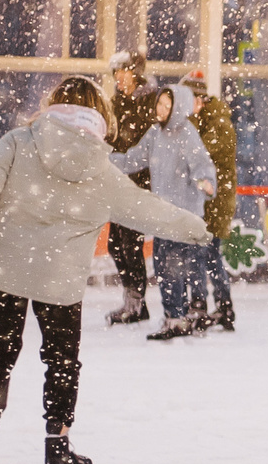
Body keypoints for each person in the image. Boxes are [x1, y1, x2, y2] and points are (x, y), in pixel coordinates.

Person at [0, 76, 212, 464]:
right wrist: (196, 228)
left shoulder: (17, 142)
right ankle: (57, 445)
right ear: (99, 114)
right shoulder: (102, 168)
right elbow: (148, 209)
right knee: (62, 361)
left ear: (53, 105)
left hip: (4, 271)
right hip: (58, 281)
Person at [110, 83, 220, 340]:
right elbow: (132, 159)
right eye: (159, 104)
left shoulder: (187, 134)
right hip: (163, 215)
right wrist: (105, 160)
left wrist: (206, 183)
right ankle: (175, 317)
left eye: (166, 106)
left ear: (178, 109)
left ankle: (177, 318)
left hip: (183, 215)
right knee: (163, 267)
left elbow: (202, 164)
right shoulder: (155, 134)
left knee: (175, 267)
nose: (160, 109)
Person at [102, 50, 157, 326]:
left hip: (138, 184)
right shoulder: (116, 103)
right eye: (116, 73)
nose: (119, 78)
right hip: (118, 183)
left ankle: (136, 304)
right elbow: (111, 137)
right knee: (115, 244)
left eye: (123, 72)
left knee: (130, 244)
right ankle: (133, 300)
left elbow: (148, 147)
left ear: (136, 73)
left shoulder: (149, 102)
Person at [184, 71, 240, 333]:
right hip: (207, 200)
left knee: (201, 254)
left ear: (199, 99)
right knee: (207, 255)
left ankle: (202, 305)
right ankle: (221, 305)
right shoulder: (206, 121)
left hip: (213, 202)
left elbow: (199, 155)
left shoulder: (217, 123)